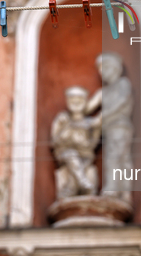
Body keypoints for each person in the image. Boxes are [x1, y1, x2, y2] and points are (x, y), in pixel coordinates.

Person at [86, 53, 133, 203]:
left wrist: (101, 117)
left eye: (105, 69)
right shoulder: (103, 92)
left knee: (118, 158)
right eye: (101, 71)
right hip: (107, 129)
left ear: (115, 69)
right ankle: (119, 190)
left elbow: (122, 102)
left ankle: (117, 190)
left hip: (120, 127)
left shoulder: (123, 84)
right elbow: (87, 107)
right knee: (112, 157)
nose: (103, 74)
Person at [51, 86, 101, 197]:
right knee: (71, 156)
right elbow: (54, 140)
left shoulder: (89, 123)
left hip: (86, 154)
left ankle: (70, 189)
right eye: (73, 100)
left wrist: (97, 129)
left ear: (85, 102)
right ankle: (83, 182)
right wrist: (67, 133)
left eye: (80, 100)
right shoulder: (63, 119)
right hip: (65, 152)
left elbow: (93, 143)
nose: (76, 103)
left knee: (81, 164)